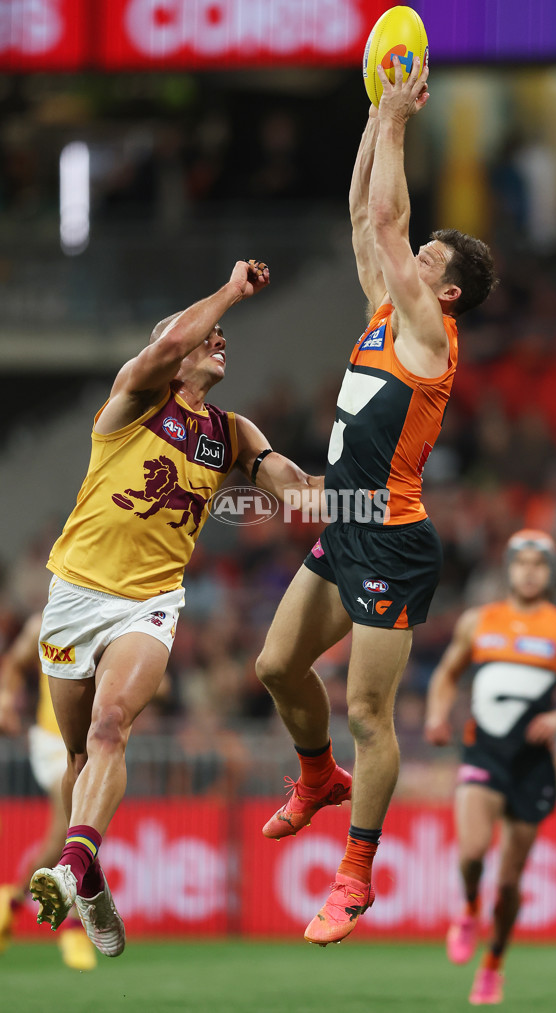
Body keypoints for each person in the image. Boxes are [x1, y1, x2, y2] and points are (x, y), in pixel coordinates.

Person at [255, 57, 498, 946]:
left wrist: (398, 116)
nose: (409, 254)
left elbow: (390, 220)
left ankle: (355, 875)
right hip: (344, 527)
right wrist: (372, 113)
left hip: (393, 540)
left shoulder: (432, 330)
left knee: (367, 711)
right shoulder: (382, 313)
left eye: (427, 259)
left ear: (445, 291)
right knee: (276, 669)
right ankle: (317, 778)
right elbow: (369, 215)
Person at [29, 259, 321, 956]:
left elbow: (296, 491)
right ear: (174, 346)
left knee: (108, 728)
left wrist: (367, 495)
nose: (220, 342)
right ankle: (92, 884)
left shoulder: (232, 431)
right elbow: (162, 348)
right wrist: (229, 290)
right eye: (207, 335)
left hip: (150, 603)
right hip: (74, 595)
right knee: (76, 757)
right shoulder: (133, 398)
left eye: (223, 334)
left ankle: (69, 869)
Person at [425, 529, 556, 1005]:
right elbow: (446, 673)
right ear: (508, 568)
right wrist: (438, 715)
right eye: (521, 562)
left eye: (539, 564)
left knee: (509, 880)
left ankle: (493, 964)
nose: (529, 571)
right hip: (482, 753)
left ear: (551, 572)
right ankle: (467, 908)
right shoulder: (479, 622)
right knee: (471, 854)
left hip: (532, 764)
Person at [0, 615, 96, 969]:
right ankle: (72, 928)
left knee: (82, 835)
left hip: (90, 747)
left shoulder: (115, 616)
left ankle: (10, 901)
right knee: (68, 832)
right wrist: (6, 698)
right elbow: (15, 662)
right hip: (53, 742)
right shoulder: (45, 622)